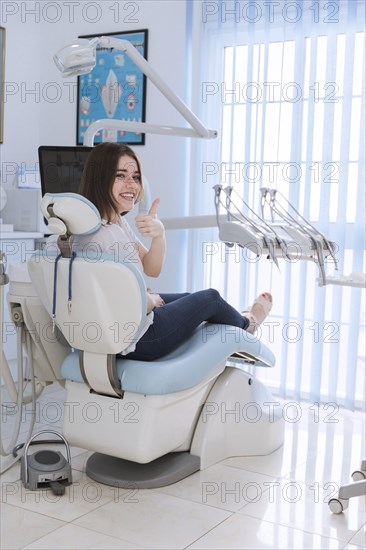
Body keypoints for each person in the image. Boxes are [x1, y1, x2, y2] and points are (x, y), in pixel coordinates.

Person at [75, 142, 272, 361]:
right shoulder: (107, 237)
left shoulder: (108, 225)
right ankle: (248, 324)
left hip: (116, 331)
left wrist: (159, 234)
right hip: (140, 339)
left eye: (136, 177)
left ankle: (231, 333)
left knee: (189, 298)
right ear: (100, 179)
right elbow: (132, 303)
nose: (132, 184)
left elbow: (152, 267)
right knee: (210, 299)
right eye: (120, 176)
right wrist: (151, 300)